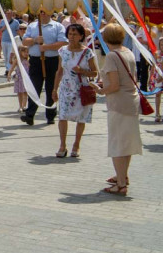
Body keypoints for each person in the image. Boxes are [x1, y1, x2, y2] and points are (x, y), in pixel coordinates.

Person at [95, 23, 142, 196]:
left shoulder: (112, 56)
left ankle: (121, 184)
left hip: (118, 103)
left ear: (106, 38)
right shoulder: (128, 52)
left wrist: (100, 90)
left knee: (116, 144)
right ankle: (122, 175)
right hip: (131, 101)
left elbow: (114, 85)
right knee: (126, 142)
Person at [52, 24, 97, 158]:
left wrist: (82, 71)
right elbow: (59, 71)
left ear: (81, 36)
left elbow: (94, 73)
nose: (72, 37)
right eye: (70, 34)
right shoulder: (62, 50)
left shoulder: (87, 52)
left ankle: (76, 144)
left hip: (81, 87)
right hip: (66, 87)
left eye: (75, 34)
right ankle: (62, 145)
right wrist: (54, 89)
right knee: (63, 116)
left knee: (81, 117)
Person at [21, 9, 67, 125]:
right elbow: (25, 41)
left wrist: (46, 47)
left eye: (45, 11)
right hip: (36, 60)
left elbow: (62, 43)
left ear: (51, 12)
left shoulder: (58, 26)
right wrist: (35, 40)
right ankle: (30, 114)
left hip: (52, 60)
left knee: (51, 87)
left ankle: (50, 115)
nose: (42, 13)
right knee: (34, 87)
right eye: (40, 11)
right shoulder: (32, 26)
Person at [9, 45, 31, 113]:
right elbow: (12, 67)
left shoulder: (28, 60)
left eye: (27, 52)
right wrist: (9, 74)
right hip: (19, 78)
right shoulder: (18, 60)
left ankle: (24, 106)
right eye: (24, 52)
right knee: (20, 93)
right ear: (20, 52)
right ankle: (20, 106)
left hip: (26, 78)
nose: (26, 53)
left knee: (25, 92)